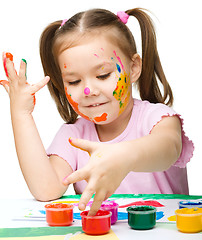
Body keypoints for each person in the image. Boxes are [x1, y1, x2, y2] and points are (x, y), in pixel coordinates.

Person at [0, 8, 194, 216]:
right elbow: (46, 189)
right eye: (73, 81)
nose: (88, 91)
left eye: (102, 75)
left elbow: (167, 150)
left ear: (134, 67)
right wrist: (21, 115)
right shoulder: (74, 137)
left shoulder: (158, 120)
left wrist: (122, 156)